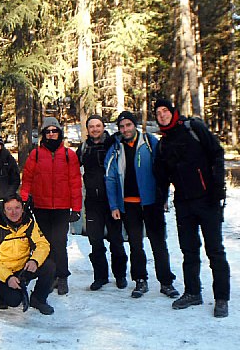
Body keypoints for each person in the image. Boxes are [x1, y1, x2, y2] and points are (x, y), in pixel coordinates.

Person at [153, 99, 231, 318]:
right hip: (184, 203)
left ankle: (221, 298)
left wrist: (218, 186)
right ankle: (193, 292)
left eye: (165, 111)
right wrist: (162, 197)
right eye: (158, 113)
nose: (162, 115)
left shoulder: (193, 128)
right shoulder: (164, 144)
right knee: (189, 250)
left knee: (215, 250)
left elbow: (217, 152)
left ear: (173, 111)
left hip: (207, 199)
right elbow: (161, 175)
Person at [105, 110, 178, 299]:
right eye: (121, 126)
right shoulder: (116, 148)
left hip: (151, 203)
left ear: (134, 125)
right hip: (128, 205)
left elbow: (163, 172)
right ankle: (140, 280)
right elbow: (110, 178)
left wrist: (163, 198)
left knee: (158, 243)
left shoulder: (150, 142)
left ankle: (166, 282)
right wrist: (114, 205)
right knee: (136, 245)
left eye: (128, 125)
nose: (125, 129)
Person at [20, 116, 82, 295]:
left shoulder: (69, 155)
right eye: (48, 131)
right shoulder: (36, 154)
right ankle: (49, 276)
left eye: (55, 131)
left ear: (59, 133)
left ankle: (62, 277)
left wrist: (76, 208)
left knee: (60, 243)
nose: (52, 134)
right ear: (44, 134)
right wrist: (24, 200)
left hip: (62, 208)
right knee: (44, 244)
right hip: (41, 207)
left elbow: (75, 183)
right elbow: (28, 180)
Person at [77, 114, 128, 290]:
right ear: (88, 129)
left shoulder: (113, 145)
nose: (95, 129)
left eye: (98, 126)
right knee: (95, 242)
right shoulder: (83, 148)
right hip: (92, 203)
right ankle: (100, 276)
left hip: (112, 201)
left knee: (116, 240)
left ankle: (120, 275)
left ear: (103, 127)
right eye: (91, 127)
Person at [0, 194, 56, 315]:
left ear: (22, 209)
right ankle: (1, 293)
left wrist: (35, 261)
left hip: (23, 267)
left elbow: (43, 244)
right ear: (4, 210)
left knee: (49, 266)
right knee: (14, 301)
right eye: (9, 208)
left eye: (17, 208)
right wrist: (8, 277)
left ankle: (38, 299)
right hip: (3, 271)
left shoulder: (29, 223)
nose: (13, 212)